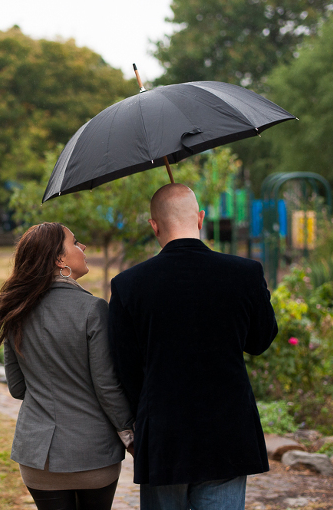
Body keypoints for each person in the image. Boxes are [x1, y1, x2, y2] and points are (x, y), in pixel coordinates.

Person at [108, 184, 278, 510]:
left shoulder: (129, 285)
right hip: (228, 430)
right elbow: (260, 341)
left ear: (153, 225)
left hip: (163, 432)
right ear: (200, 218)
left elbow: (125, 368)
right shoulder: (245, 273)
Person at [0, 222, 134, 510]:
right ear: (59, 259)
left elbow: (17, 388)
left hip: (38, 458)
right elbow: (107, 386)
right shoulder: (93, 309)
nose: (83, 247)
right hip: (92, 455)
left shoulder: (15, 310)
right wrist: (129, 435)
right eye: (76, 242)